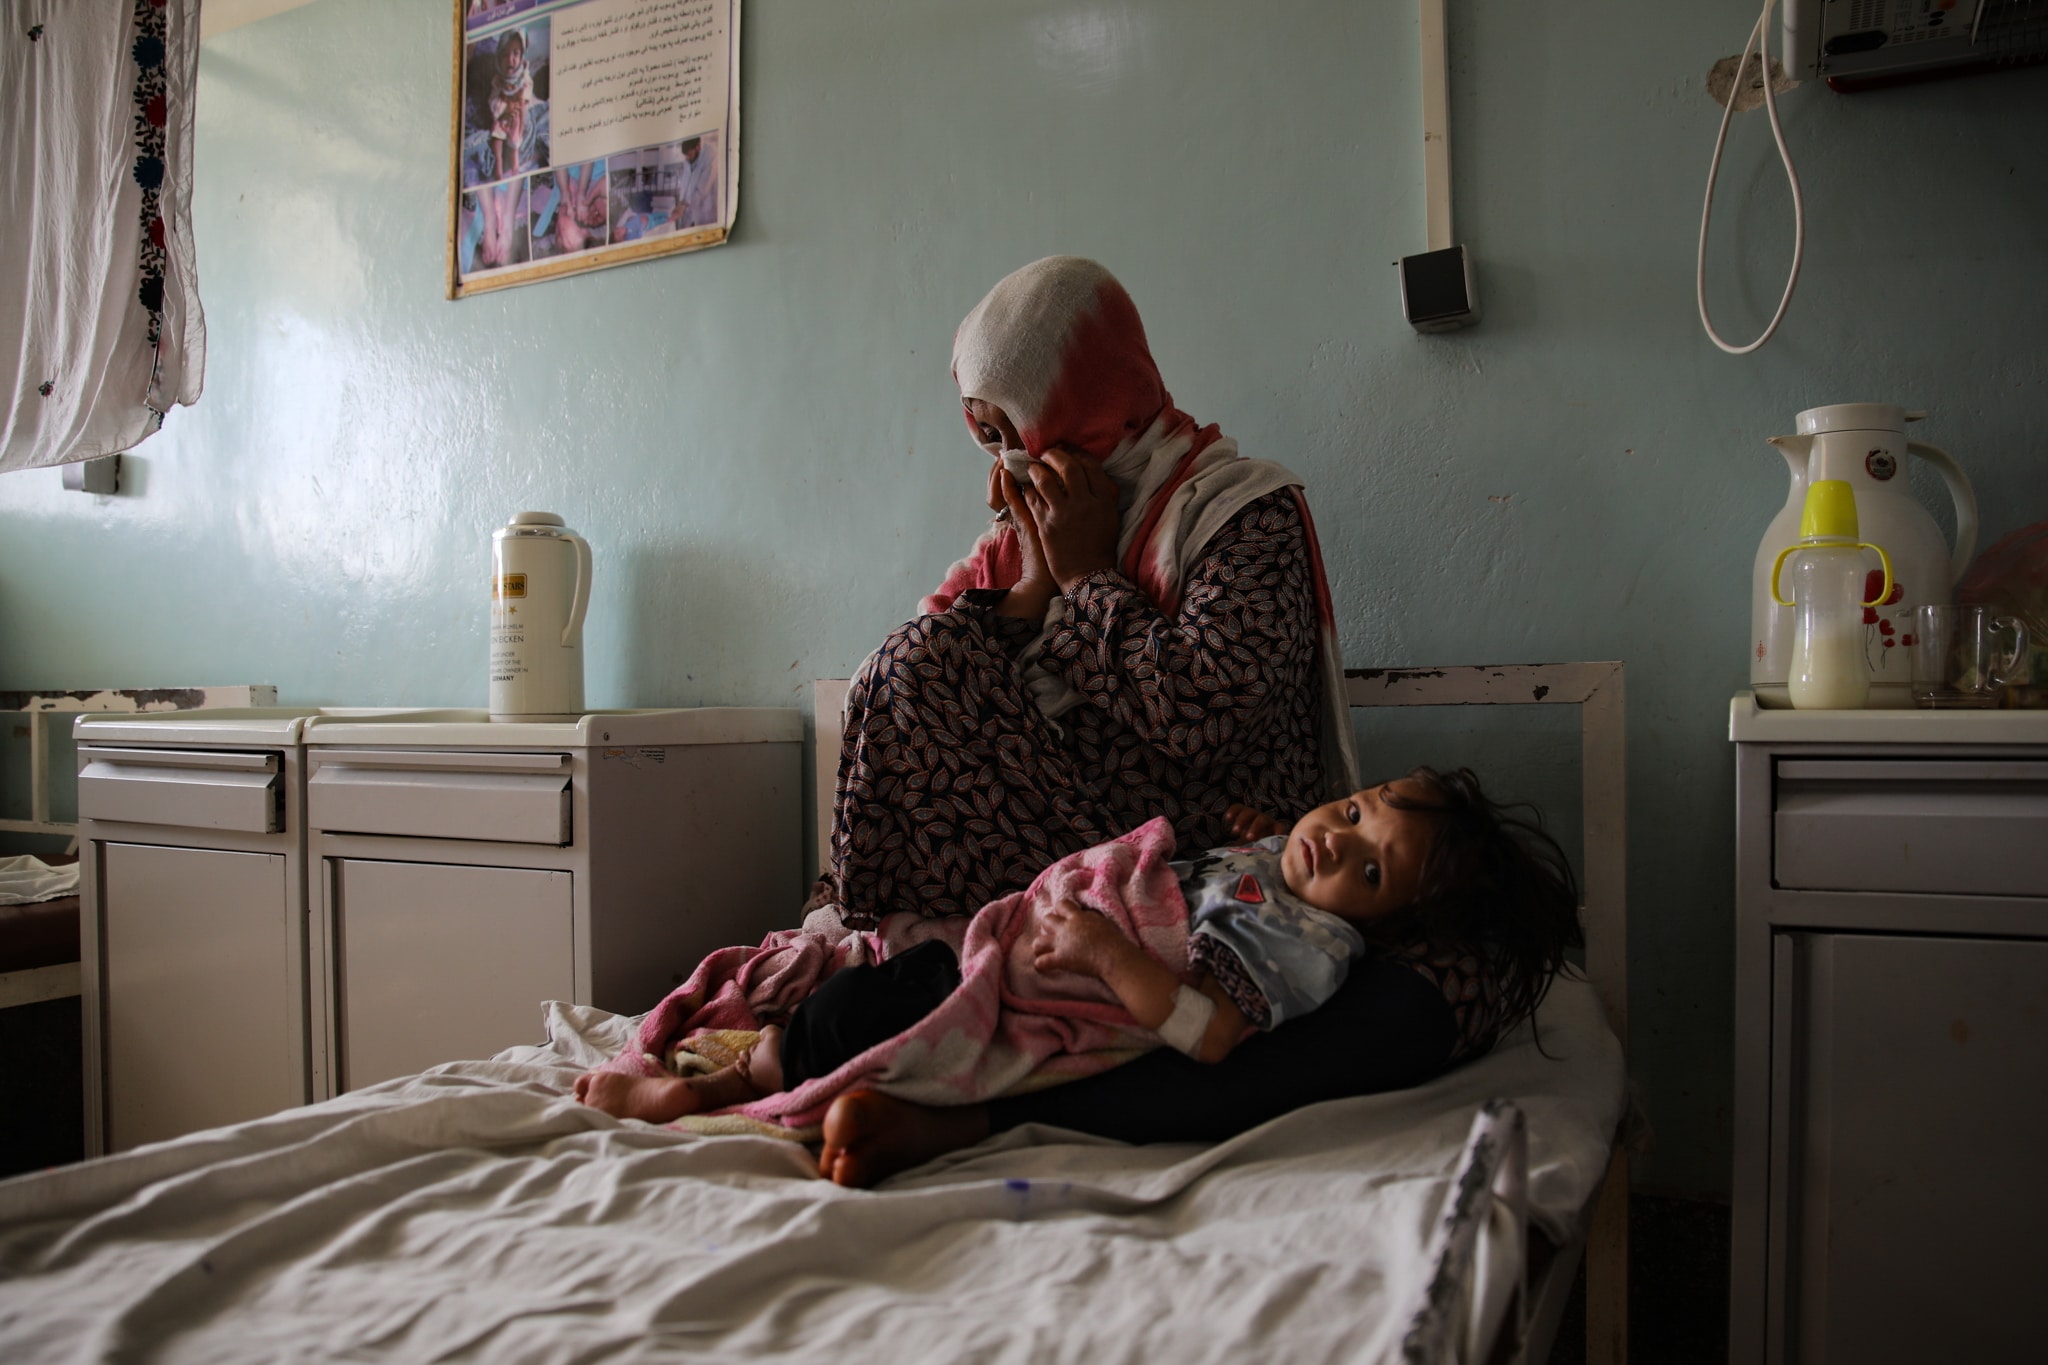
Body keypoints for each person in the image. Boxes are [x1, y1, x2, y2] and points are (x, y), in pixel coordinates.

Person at [574, 768, 1580, 1144]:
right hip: (1019, 949)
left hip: (1055, 999)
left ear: (1382, 926)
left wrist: (1103, 951)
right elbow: (1263, 871)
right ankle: (766, 1048)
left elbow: (1208, 1031)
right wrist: (1267, 834)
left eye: (1368, 871)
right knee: (879, 980)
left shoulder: (1308, 948)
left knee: (853, 1022)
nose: (1338, 841)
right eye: (1354, 811)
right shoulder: (1291, 865)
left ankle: (714, 1089)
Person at [826, 255, 1358, 935]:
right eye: (988, 435)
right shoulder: (1031, 523)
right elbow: (888, 700)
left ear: (1086, 396)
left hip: (1198, 858)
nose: (1008, 458)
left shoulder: (1244, 513)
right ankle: (893, 938)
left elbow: (1203, 717)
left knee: (925, 664)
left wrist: (1085, 577)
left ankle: (906, 938)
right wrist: (1034, 581)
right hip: (1060, 845)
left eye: (1017, 426)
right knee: (919, 664)